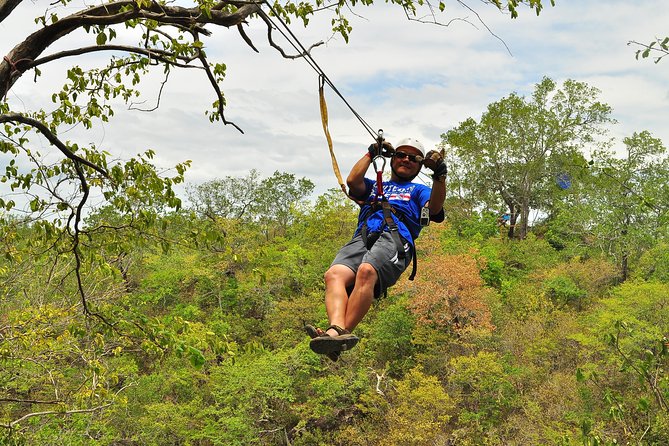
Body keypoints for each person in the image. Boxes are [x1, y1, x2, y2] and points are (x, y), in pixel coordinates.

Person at [307, 137, 447, 361]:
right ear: (392, 159)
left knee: (367, 271)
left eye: (413, 158)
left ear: (420, 166)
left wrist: (439, 175)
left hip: (396, 237)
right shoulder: (376, 185)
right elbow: (354, 181)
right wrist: (372, 153)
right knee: (333, 274)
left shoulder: (419, 190)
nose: (406, 160)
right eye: (401, 155)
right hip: (365, 233)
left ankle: (337, 334)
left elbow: (436, 208)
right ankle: (335, 330)